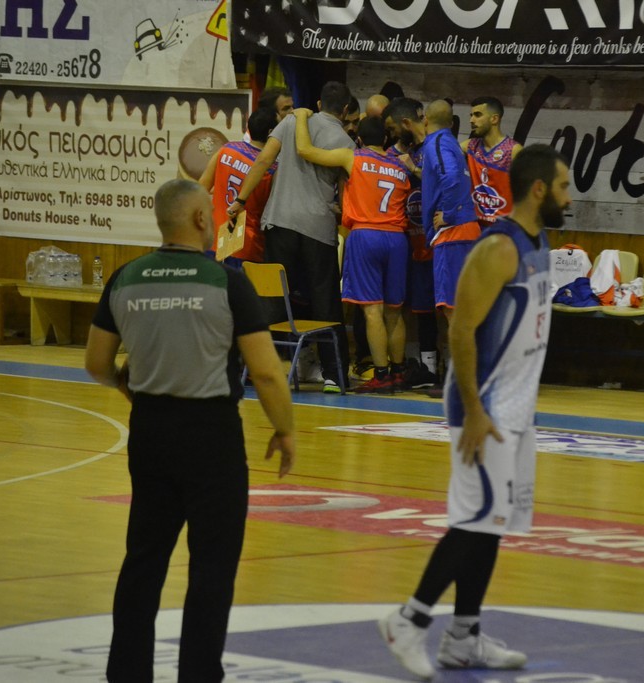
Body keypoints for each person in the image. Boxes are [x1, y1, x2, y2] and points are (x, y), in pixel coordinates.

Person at [85, 178, 296, 682]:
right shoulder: (227, 282)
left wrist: (129, 388)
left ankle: (126, 673)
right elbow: (267, 372)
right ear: (201, 219)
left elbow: (95, 363)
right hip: (211, 436)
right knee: (211, 568)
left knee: (143, 561)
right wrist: (284, 430)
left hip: (150, 431)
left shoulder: (126, 277)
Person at [379, 145, 572, 678]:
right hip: (483, 406)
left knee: (491, 523)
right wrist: (474, 409)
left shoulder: (539, 241)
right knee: (471, 523)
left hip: (517, 409)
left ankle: (463, 637)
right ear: (538, 189)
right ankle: (408, 621)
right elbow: (461, 331)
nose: (568, 197)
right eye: (563, 187)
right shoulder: (497, 248)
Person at [228, 81, 356, 393]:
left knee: (273, 297)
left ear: (318, 103)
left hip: (280, 221)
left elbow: (262, 161)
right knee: (325, 299)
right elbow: (345, 191)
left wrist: (240, 200)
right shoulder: (345, 141)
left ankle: (262, 369)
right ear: (345, 110)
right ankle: (334, 375)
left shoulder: (289, 122)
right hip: (318, 227)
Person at [293, 110, 411, 393]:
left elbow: (304, 150)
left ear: (358, 138)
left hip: (366, 234)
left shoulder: (353, 157)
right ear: (385, 139)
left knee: (372, 311)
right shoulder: (401, 165)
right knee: (394, 312)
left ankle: (381, 375)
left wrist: (301, 117)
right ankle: (398, 371)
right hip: (397, 238)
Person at [383, 98, 439, 390]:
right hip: (402, 239)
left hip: (434, 238)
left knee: (437, 307)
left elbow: (446, 183)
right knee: (403, 305)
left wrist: (415, 170)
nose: (391, 133)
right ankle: (411, 364)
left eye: (393, 128)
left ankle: (435, 366)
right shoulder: (390, 155)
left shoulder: (434, 149)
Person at [419, 99, 483, 323]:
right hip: (466, 229)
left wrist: (448, 213)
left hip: (454, 232)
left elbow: (452, 178)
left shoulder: (436, 143)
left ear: (425, 120)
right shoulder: (451, 143)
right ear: (451, 123)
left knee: (453, 308)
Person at [198, 108, 276, 268]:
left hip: (214, 239)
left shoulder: (227, 149)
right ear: (271, 133)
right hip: (246, 245)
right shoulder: (271, 169)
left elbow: (201, 188)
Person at [462, 97, 522, 228]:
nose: (471, 120)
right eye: (471, 115)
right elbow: (442, 158)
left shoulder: (513, 150)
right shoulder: (469, 146)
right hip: (476, 227)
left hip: (504, 230)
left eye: (478, 115)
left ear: (494, 119)